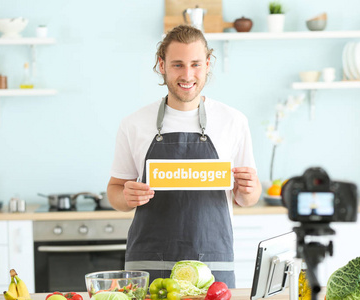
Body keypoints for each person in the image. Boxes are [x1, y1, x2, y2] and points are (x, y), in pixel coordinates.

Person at [107, 25, 261, 288]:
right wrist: (126, 196)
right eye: (178, 64)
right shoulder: (133, 124)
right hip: (149, 264)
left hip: (212, 267)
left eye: (196, 64)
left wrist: (248, 189)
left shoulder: (233, 121)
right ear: (162, 65)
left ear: (208, 64)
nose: (188, 75)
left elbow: (248, 197)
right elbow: (115, 192)